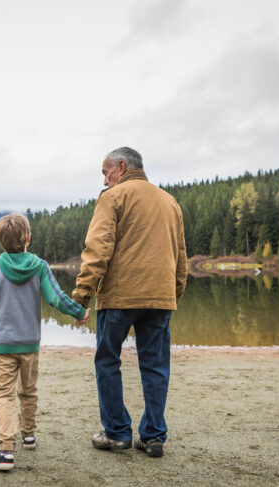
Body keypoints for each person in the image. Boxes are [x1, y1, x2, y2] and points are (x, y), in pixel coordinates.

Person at [71, 147, 187, 458]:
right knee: (156, 366)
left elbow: (98, 249)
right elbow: (180, 257)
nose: (105, 178)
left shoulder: (112, 197)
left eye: (106, 171)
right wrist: (173, 293)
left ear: (122, 167)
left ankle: (117, 433)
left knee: (107, 360)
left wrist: (82, 294)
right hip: (160, 298)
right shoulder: (169, 201)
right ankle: (153, 436)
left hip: (120, 296)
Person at [0, 213, 90, 470]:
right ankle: (28, 435)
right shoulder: (39, 266)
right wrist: (79, 311)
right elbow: (56, 298)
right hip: (30, 343)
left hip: (2, 344)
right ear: (28, 238)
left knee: (3, 394)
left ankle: (5, 451)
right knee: (28, 391)